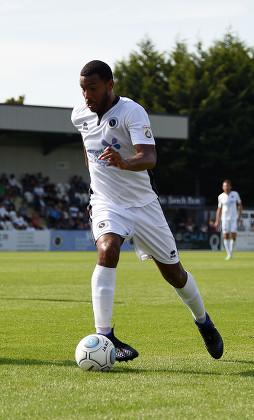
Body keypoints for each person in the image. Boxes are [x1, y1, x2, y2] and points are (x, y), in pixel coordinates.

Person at [71, 60, 223, 363]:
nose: (86, 95)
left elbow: (150, 157)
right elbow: (88, 151)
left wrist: (124, 162)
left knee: (175, 274)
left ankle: (203, 321)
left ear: (110, 85)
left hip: (143, 205)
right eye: (82, 89)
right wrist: (97, 182)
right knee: (108, 248)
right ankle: (106, 335)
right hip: (106, 202)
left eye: (93, 88)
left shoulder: (132, 112)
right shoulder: (79, 115)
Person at [215, 179, 242, 260]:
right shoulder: (220, 196)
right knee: (226, 236)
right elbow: (219, 209)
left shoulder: (235, 194)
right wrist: (217, 220)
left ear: (230, 186)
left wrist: (239, 216)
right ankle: (229, 254)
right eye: (225, 186)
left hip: (234, 219)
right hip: (225, 219)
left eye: (227, 186)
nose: (226, 187)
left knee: (233, 236)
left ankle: (231, 252)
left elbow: (240, 205)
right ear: (223, 187)